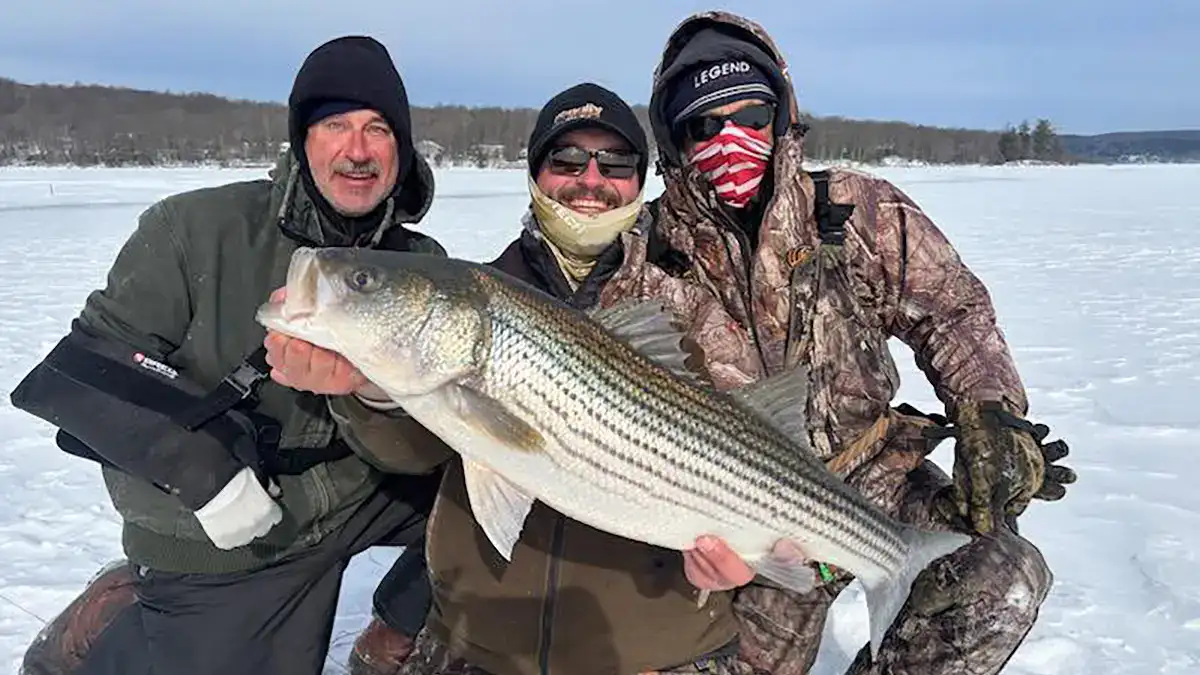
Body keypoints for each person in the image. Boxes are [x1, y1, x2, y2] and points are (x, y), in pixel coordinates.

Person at [590, 10, 1079, 675]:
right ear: (674, 139)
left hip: (876, 476)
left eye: (752, 116)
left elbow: (951, 309)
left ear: (782, 115)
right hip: (741, 510)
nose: (730, 140)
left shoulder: (852, 210)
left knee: (998, 575)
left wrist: (989, 411)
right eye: (705, 126)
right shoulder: (643, 260)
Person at [10, 35, 449, 675]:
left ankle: (398, 631)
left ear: (401, 149)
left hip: (357, 493)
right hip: (234, 526)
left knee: (504, 488)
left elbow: (431, 422)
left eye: (378, 129)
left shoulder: (419, 265)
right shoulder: (192, 229)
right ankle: (112, 617)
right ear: (302, 138)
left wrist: (372, 394)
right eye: (335, 124)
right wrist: (204, 473)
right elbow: (86, 372)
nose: (357, 150)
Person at [337, 82, 770, 675]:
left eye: (615, 164)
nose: (591, 179)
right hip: (479, 643)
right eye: (566, 159)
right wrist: (372, 394)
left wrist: (744, 555)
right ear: (536, 173)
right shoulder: (475, 292)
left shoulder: (689, 308)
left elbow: (759, 460)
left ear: (639, 183)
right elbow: (414, 455)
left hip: (652, 656)